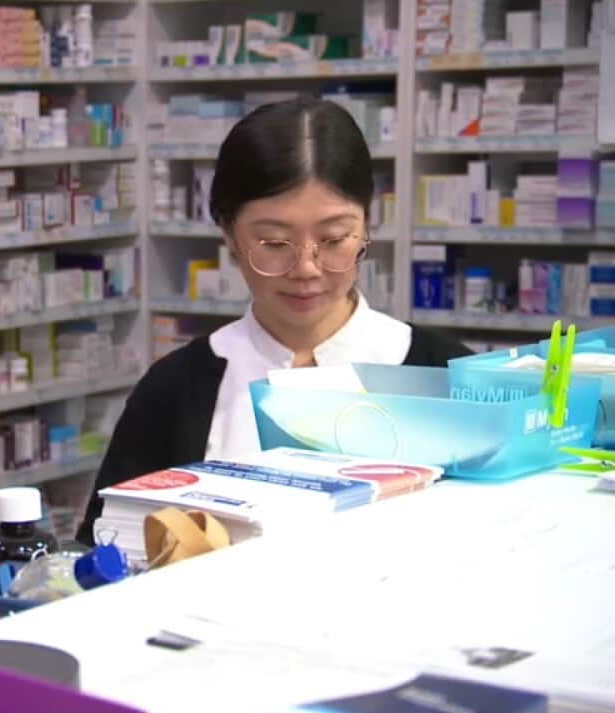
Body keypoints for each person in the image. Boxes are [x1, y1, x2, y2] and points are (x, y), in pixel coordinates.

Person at [78, 97, 470, 544]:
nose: (306, 267)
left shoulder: (444, 375)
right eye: (274, 242)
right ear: (228, 234)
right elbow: (101, 550)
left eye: (334, 238)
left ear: (367, 223)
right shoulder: (175, 389)